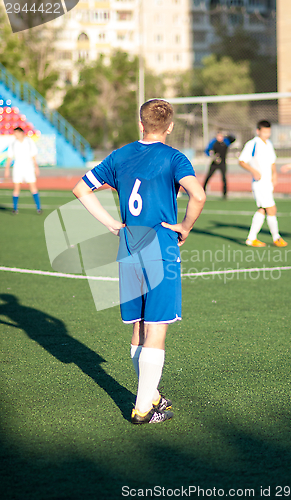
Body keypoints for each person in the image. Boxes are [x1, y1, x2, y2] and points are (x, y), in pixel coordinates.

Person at [72, 99, 206, 425]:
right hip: (160, 247)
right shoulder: (175, 157)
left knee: (139, 324)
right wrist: (185, 227)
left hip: (130, 246)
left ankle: (151, 393)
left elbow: (81, 188)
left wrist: (109, 223)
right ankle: (143, 408)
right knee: (157, 327)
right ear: (170, 126)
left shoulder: (120, 155)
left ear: (140, 123)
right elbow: (198, 195)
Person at [239, 120, 287, 247]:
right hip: (259, 183)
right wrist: (253, 170)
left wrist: (275, 174)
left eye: (269, 132)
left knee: (263, 209)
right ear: (258, 131)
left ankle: (251, 238)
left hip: (267, 182)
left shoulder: (269, 143)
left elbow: (272, 161)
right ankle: (276, 238)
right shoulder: (252, 144)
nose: (267, 134)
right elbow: (242, 161)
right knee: (271, 209)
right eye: (264, 132)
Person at [4, 126, 42, 214]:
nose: (15, 135)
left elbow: (33, 155)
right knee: (16, 187)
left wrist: (36, 167)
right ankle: (15, 208)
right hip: (17, 167)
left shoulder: (29, 142)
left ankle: (38, 208)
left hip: (28, 167)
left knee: (33, 187)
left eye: (16, 133)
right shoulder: (13, 143)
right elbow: (9, 157)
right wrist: (6, 169)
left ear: (21, 133)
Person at [203, 131, 236, 198]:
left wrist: (227, 134)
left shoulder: (226, 141)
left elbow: (233, 139)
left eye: (221, 136)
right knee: (208, 176)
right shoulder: (213, 142)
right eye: (218, 136)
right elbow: (207, 150)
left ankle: (224, 194)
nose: (219, 137)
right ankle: (203, 191)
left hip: (223, 163)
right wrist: (213, 156)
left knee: (224, 178)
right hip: (214, 163)